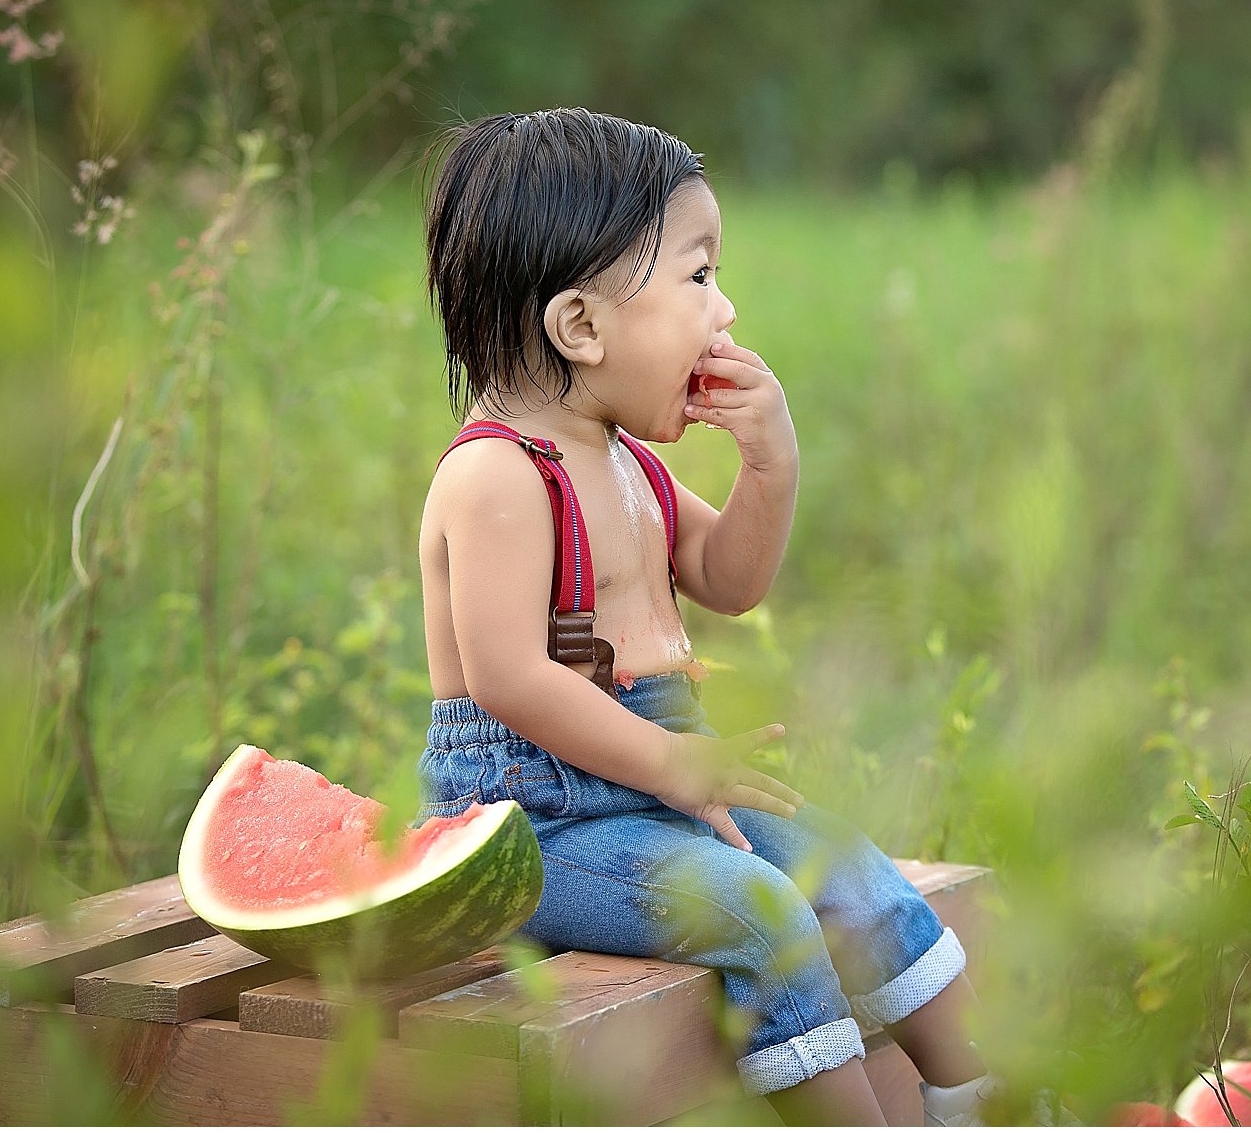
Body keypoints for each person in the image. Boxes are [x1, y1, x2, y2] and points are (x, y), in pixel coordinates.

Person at [415, 108, 997, 1126]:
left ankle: (980, 1095)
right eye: (698, 277)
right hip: (533, 819)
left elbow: (729, 578)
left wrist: (772, 463)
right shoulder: (498, 478)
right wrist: (673, 765)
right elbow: (509, 676)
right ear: (581, 326)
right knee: (757, 906)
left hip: (656, 781)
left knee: (839, 863)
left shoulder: (629, 461)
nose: (724, 312)